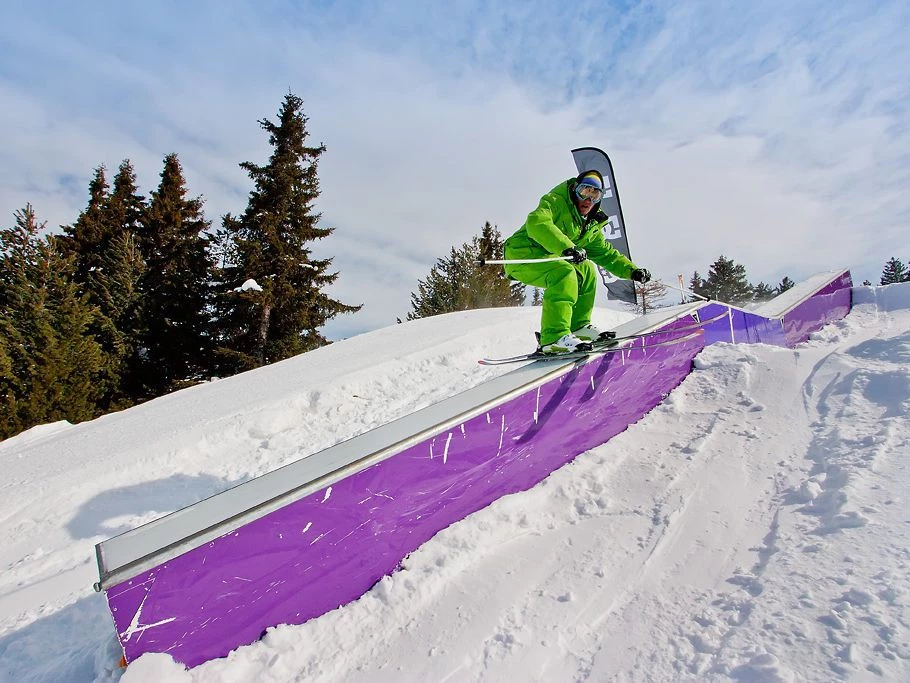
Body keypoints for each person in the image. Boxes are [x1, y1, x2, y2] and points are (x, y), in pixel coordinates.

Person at [503, 170, 651, 354]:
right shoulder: (555, 202)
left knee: (586, 269)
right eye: (584, 192)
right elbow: (537, 223)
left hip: (552, 258)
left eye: (595, 195)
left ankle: (578, 327)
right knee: (563, 272)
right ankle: (553, 338)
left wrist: (632, 271)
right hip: (522, 255)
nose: (588, 200)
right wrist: (566, 247)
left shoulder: (590, 225)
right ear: (575, 190)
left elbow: (607, 254)